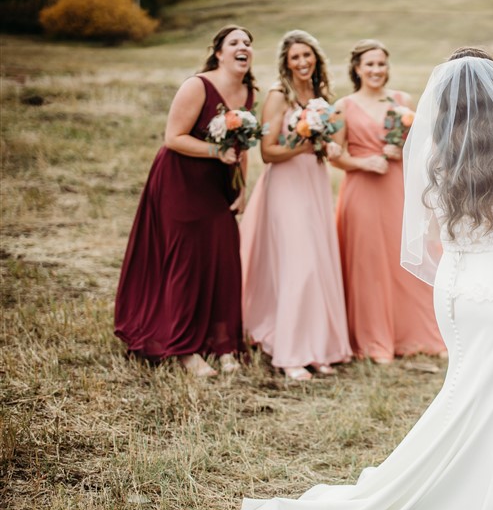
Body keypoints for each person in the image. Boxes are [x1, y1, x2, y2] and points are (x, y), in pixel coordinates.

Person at [222, 48, 493, 510]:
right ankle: (483, 502)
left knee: (464, 391)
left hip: (455, 288)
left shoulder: (439, 150)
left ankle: (437, 486)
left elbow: (437, 234)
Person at [115, 25, 255, 377]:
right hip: (180, 180)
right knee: (186, 262)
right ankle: (184, 349)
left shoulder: (250, 91)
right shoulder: (198, 86)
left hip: (218, 184)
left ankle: (223, 344)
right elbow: (172, 138)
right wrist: (215, 150)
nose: (244, 47)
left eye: (248, 43)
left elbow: (243, 145)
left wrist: (241, 188)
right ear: (219, 52)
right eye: (234, 42)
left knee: (224, 258)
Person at [239, 30, 352, 381]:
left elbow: (332, 142)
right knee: (297, 264)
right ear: (287, 64)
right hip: (286, 185)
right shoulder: (277, 95)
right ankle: (289, 353)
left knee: (317, 263)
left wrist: (327, 146)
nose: (303, 62)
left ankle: (316, 347)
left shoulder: (320, 97)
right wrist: (302, 146)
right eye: (295, 58)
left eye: (308, 56)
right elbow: (267, 152)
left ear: (316, 58)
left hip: (314, 184)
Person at [330, 39, 444, 365]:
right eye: (370, 64)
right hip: (361, 190)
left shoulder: (400, 101)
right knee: (369, 263)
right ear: (356, 68)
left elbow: (422, 146)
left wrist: (403, 149)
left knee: (409, 255)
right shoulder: (343, 106)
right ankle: (374, 339)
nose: (376, 70)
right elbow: (336, 157)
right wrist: (364, 163)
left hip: (397, 187)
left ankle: (421, 334)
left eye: (381, 64)